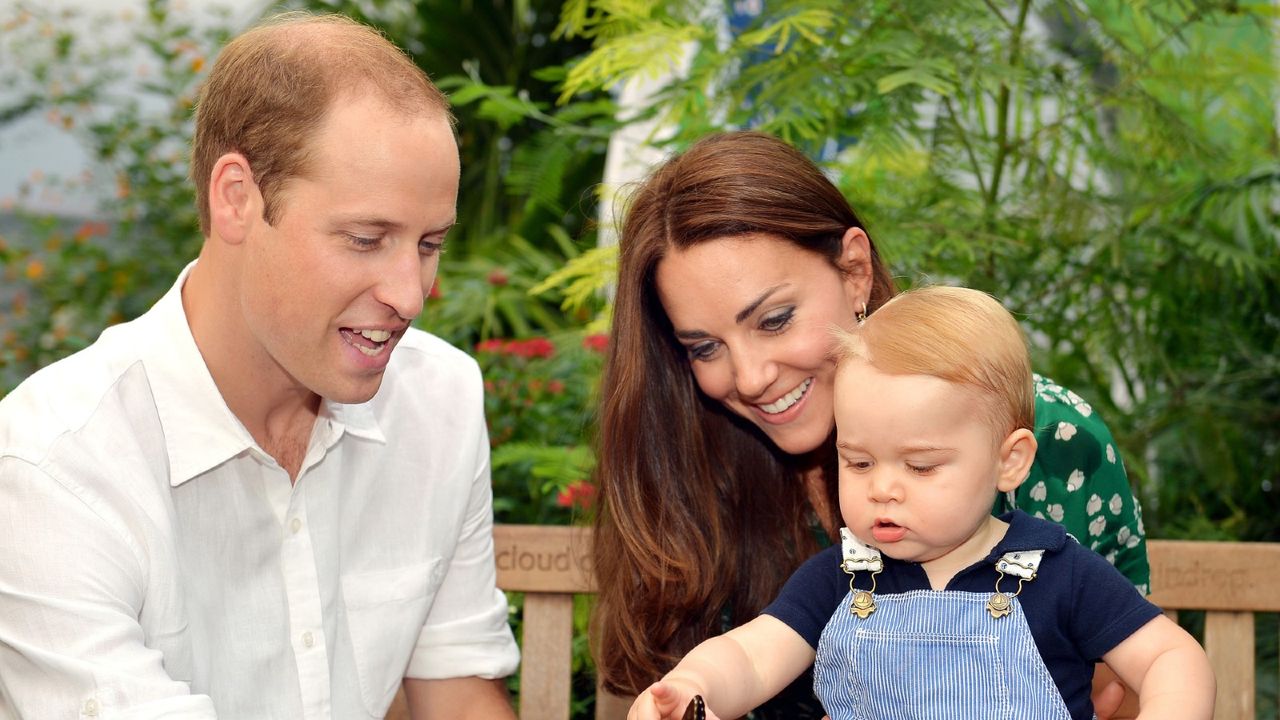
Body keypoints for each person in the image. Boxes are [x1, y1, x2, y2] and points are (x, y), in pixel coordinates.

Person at [0, 13, 518, 719]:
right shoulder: (54, 465)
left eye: (430, 244)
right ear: (236, 199)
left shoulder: (440, 398)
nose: (410, 293)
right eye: (367, 240)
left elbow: (458, 693)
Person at [591, 130, 1147, 718]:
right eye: (704, 347)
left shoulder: (1042, 432)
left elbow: (1124, 688)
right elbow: (733, 667)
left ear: (855, 270)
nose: (750, 377)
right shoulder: (696, 459)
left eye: (774, 319)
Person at [627, 286, 1213, 720]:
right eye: (857, 462)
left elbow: (1170, 658)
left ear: (1009, 461)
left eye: (921, 466)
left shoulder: (1058, 573)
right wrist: (694, 686)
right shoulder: (842, 580)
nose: (882, 487)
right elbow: (752, 659)